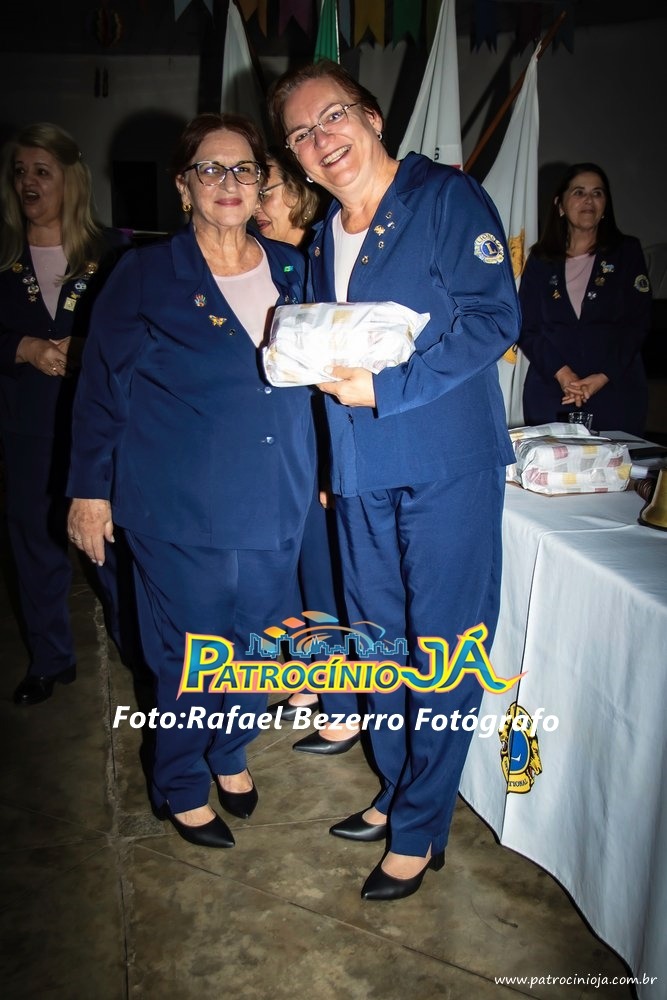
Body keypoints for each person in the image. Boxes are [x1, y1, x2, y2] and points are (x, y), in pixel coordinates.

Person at [268, 61, 520, 900]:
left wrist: (386, 388)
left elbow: (494, 317)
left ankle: (419, 826)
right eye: (300, 133)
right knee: (378, 646)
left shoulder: (443, 199)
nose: (320, 139)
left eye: (332, 116)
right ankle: (399, 785)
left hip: (446, 462)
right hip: (361, 470)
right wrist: (329, 462)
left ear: (372, 118)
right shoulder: (320, 240)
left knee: (442, 647)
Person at [66, 113, 316, 849]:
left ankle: (229, 751)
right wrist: (89, 491)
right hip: (177, 507)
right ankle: (179, 781)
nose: (229, 182)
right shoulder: (144, 274)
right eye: (211, 169)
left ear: (261, 184)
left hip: (277, 497)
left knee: (261, 647)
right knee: (191, 656)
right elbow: (102, 390)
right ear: (184, 187)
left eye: (244, 169)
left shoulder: (292, 268)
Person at [0, 122, 132, 707]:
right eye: (20, 172)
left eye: (41, 171)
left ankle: (139, 650)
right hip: (26, 427)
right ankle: (50, 660)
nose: (28, 182)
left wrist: (85, 349)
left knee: (111, 546)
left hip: (98, 429)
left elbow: (135, 333)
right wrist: (23, 347)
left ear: (69, 179)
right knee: (35, 544)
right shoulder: (3, 254)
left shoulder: (113, 252)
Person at [253, 153, 360, 751]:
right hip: (283, 450)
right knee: (295, 577)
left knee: (324, 579)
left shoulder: (321, 259)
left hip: (322, 443)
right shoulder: (272, 262)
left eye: (266, 190)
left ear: (299, 192)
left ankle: (344, 708)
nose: (256, 204)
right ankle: (312, 679)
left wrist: (329, 463)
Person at [518, 162, 652, 434]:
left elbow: (637, 322)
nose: (589, 200)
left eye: (597, 193)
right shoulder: (541, 260)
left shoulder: (626, 252)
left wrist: (601, 377)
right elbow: (525, 326)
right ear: (560, 205)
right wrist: (563, 375)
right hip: (552, 392)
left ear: (605, 206)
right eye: (579, 192)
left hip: (615, 391)